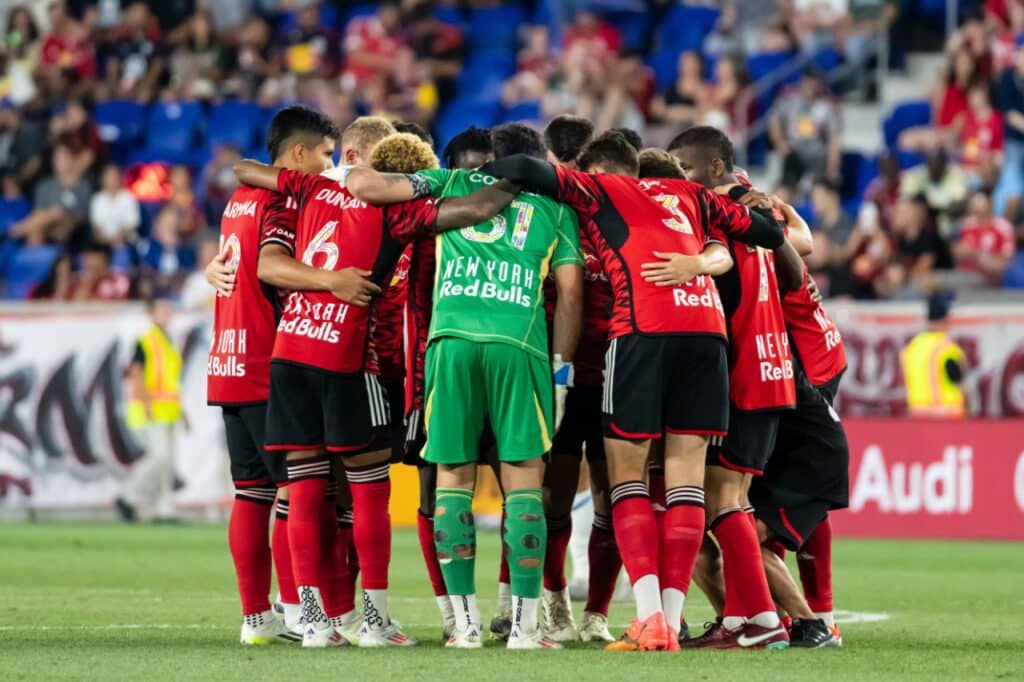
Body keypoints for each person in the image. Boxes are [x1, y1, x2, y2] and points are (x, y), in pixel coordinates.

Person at [482, 131, 787, 652]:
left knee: (627, 480)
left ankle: (647, 619)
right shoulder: (695, 198)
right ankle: (670, 620)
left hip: (642, 332)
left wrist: (475, 179)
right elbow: (767, 234)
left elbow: (528, 170)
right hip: (706, 337)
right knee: (686, 484)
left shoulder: (605, 191)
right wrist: (749, 207)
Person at [233, 138, 517, 649]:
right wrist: (520, 178)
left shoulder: (315, 188)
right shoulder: (400, 216)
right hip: (346, 358)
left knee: (303, 490)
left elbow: (246, 168)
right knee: (369, 491)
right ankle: (373, 621)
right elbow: (477, 208)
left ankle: (314, 622)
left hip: (289, 351)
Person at [345, 123, 586, 650]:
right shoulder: (557, 211)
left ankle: (465, 627)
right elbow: (570, 295)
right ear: (538, 161)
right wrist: (561, 369)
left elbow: (368, 185)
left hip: (449, 342)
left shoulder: (448, 182)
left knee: (451, 478)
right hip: (517, 343)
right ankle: (523, 629)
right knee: (524, 480)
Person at [205, 105, 379, 646]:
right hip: (266, 360)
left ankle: (257, 618)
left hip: (228, 359)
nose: (330, 165)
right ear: (300, 154)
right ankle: (301, 611)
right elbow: (271, 269)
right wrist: (333, 282)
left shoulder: (239, 200)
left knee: (251, 492)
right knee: (299, 490)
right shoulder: (285, 198)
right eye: (326, 154)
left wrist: (209, 269)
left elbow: (229, 262)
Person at [666, 126, 804, 650]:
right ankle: (749, 619)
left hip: (743, 372)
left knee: (724, 501)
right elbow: (794, 272)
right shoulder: (757, 217)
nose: (682, 182)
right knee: (732, 499)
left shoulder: (719, 219)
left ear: (717, 170)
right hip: (772, 369)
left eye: (689, 171)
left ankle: (758, 621)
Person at [115, 294, 187, 523]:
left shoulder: (167, 340)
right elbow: (136, 373)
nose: (168, 314)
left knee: (166, 462)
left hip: (168, 409)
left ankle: (164, 508)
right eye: (163, 309)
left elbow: (171, 381)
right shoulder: (147, 340)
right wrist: (146, 404)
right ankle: (129, 496)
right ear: (151, 313)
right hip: (154, 408)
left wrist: (182, 412)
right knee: (160, 457)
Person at [769, 66, 842, 192]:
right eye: (810, 81)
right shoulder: (790, 99)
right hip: (793, 153)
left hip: (816, 156)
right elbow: (774, 120)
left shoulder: (827, 106)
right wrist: (779, 142)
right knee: (788, 166)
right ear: (803, 81)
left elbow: (834, 138)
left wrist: (833, 167)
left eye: (816, 82)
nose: (812, 85)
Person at [901, 292, 967, 418]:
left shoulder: (913, 346)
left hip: (917, 413)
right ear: (945, 319)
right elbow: (958, 382)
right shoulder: (947, 348)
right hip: (947, 413)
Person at [953, 190, 1016, 286]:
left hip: (992, 277)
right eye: (973, 203)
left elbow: (1007, 260)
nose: (975, 206)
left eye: (979, 201)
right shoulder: (967, 225)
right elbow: (958, 252)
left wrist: (977, 255)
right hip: (966, 274)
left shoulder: (1003, 227)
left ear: (989, 203)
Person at [90, 164, 141, 248]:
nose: (112, 180)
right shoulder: (97, 200)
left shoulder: (128, 198)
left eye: (114, 176)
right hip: (103, 242)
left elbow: (131, 225)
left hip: (124, 241)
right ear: (103, 179)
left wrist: (119, 237)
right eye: (109, 176)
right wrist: (106, 240)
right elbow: (96, 228)